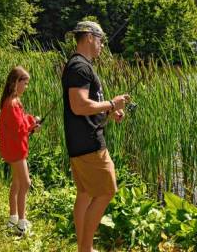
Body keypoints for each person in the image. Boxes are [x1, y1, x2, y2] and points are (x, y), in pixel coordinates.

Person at [62, 21, 129, 252]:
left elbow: (83, 109)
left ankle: (84, 247)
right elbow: (78, 105)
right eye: (100, 40)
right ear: (90, 37)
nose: (101, 45)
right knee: (107, 191)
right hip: (90, 143)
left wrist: (108, 112)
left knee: (85, 193)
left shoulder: (77, 64)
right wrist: (111, 102)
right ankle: (86, 248)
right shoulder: (80, 67)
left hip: (80, 141)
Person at [0, 66, 40, 235]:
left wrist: (31, 120)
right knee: (25, 183)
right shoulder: (13, 103)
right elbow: (19, 129)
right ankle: (22, 224)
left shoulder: (11, 101)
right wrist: (32, 127)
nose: (26, 86)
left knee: (16, 183)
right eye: (25, 83)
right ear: (16, 82)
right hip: (16, 150)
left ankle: (13, 218)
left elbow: (21, 121)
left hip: (12, 149)